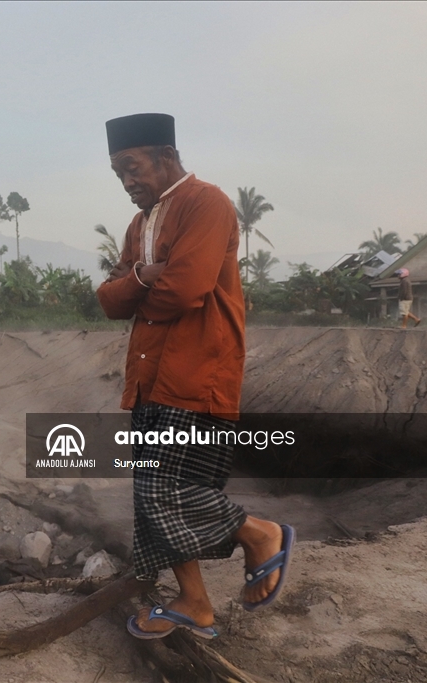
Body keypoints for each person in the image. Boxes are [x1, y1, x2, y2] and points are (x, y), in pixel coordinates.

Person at [96, 113, 294, 640]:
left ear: (165, 157)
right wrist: (141, 276)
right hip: (147, 378)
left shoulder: (206, 203)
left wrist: (140, 293)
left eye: (132, 168)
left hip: (197, 374)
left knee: (165, 491)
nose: (127, 182)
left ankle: (261, 534)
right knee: (150, 497)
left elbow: (185, 291)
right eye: (118, 174)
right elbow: (109, 299)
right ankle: (196, 602)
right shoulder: (140, 225)